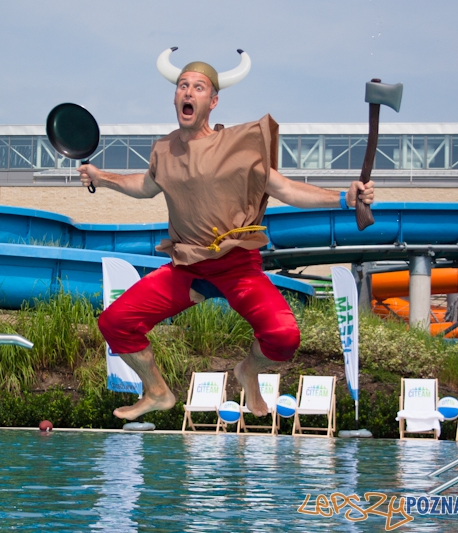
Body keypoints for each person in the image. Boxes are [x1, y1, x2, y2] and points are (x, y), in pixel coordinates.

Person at [79, 47, 375, 421]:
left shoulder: (238, 146)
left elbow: (284, 188)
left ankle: (248, 370)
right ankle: (155, 391)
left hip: (237, 267)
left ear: (213, 101)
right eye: (182, 86)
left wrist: (343, 198)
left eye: (198, 87)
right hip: (188, 267)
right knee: (115, 323)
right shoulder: (165, 149)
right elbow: (145, 185)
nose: (188, 92)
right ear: (175, 97)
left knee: (284, 337)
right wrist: (103, 178)